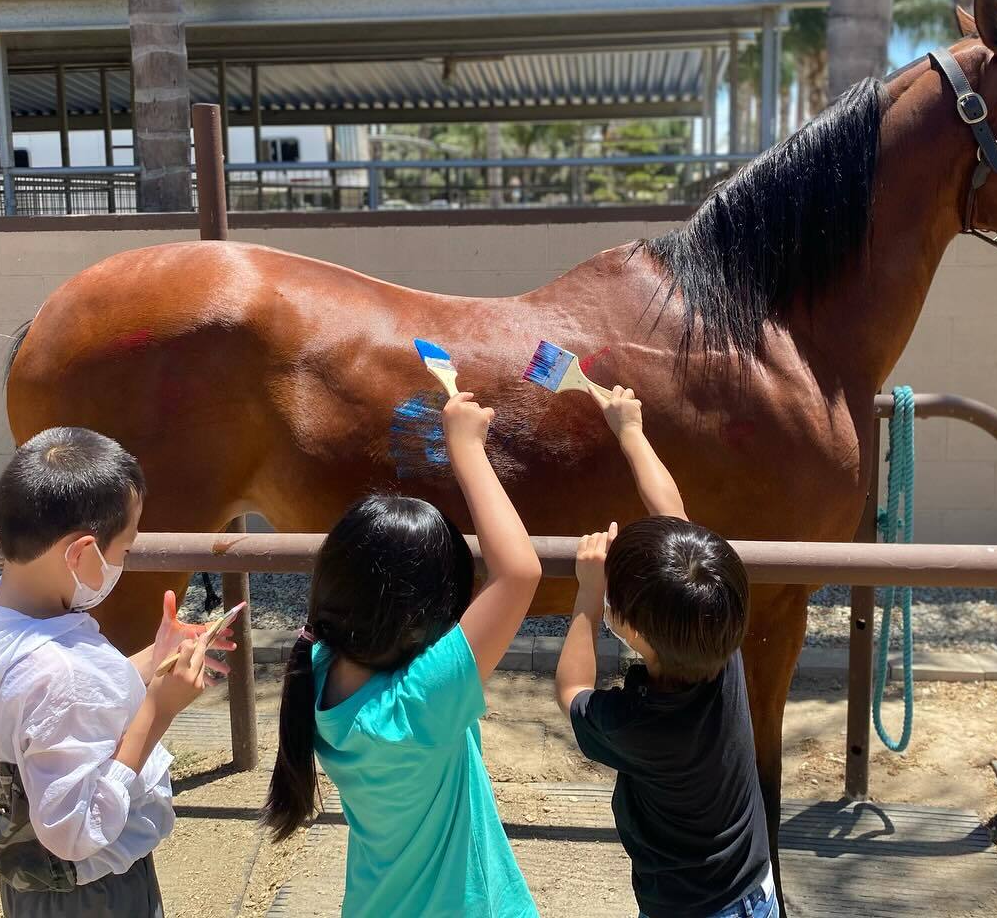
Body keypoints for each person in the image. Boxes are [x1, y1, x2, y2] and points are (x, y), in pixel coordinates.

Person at [0, 426, 238, 918]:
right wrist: (158, 708)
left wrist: (155, 658)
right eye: (124, 551)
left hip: (34, 887)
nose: (123, 563)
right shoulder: (61, 672)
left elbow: (56, 711)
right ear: (82, 553)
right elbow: (76, 829)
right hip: (93, 893)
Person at [262, 390, 540, 917]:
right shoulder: (417, 704)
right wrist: (466, 446)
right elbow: (520, 572)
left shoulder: (319, 667)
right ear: (423, 621)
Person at [554, 387, 774, 918]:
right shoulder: (719, 645)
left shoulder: (638, 723)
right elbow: (675, 516)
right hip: (754, 892)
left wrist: (584, 594)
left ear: (628, 629)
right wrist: (631, 430)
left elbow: (572, 692)